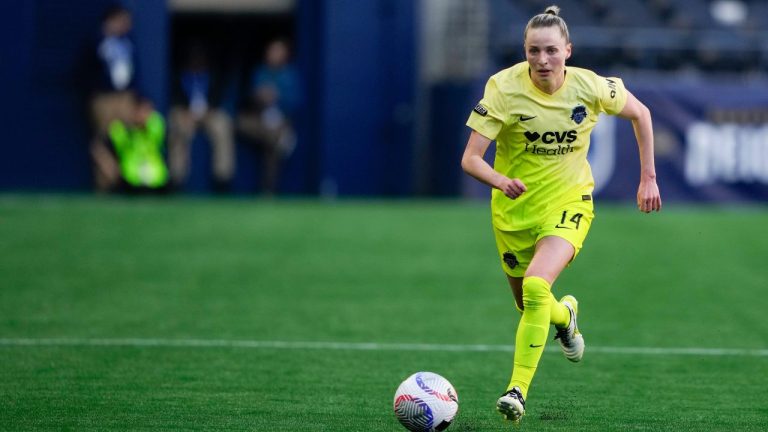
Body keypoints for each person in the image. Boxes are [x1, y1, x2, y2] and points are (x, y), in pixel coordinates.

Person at [461, 5, 661, 423]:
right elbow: (471, 159)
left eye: (551, 50)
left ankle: (516, 390)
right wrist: (499, 181)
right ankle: (565, 315)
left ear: (568, 50)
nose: (542, 60)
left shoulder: (590, 87)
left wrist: (648, 178)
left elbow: (640, 114)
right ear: (524, 51)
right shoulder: (503, 88)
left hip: (569, 203)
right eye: (533, 51)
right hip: (514, 213)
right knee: (529, 303)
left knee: (536, 285)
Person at [168, 44, 235, 192]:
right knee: (178, 126)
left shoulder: (213, 76)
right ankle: (176, 178)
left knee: (223, 123)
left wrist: (208, 111)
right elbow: (175, 99)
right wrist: (186, 112)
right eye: (193, 58)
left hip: (208, 114)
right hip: (185, 113)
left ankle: (222, 178)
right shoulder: (179, 76)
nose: (196, 62)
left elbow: (217, 99)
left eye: (200, 58)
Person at [237, 39, 300, 195]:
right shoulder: (259, 72)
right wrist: (259, 97)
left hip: (280, 120)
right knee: (270, 137)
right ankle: (278, 138)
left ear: (285, 54)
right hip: (258, 120)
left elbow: (296, 103)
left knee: (274, 142)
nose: (274, 55)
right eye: (272, 51)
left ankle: (268, 190)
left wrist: (277, 96)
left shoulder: (290, 75)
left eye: (278, 51)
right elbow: (246, 98)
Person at [89, 4, 137, 192]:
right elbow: (86, 71)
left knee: (125, 138)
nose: (126, 25)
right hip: (103, 97)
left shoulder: (128, 42)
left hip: (124, 96)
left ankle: (128, 181)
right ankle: (105, 183)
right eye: (123, 20)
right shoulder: (96, 40)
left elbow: (134, 70)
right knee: (102, 141)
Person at [108, 96, 169, 193]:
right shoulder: (122, 128)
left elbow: (157, 127)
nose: (145, 115)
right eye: (142, 111)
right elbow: (118, 142)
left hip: (156, 180)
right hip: (130, 179)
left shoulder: (155, 125)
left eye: (148, 111)